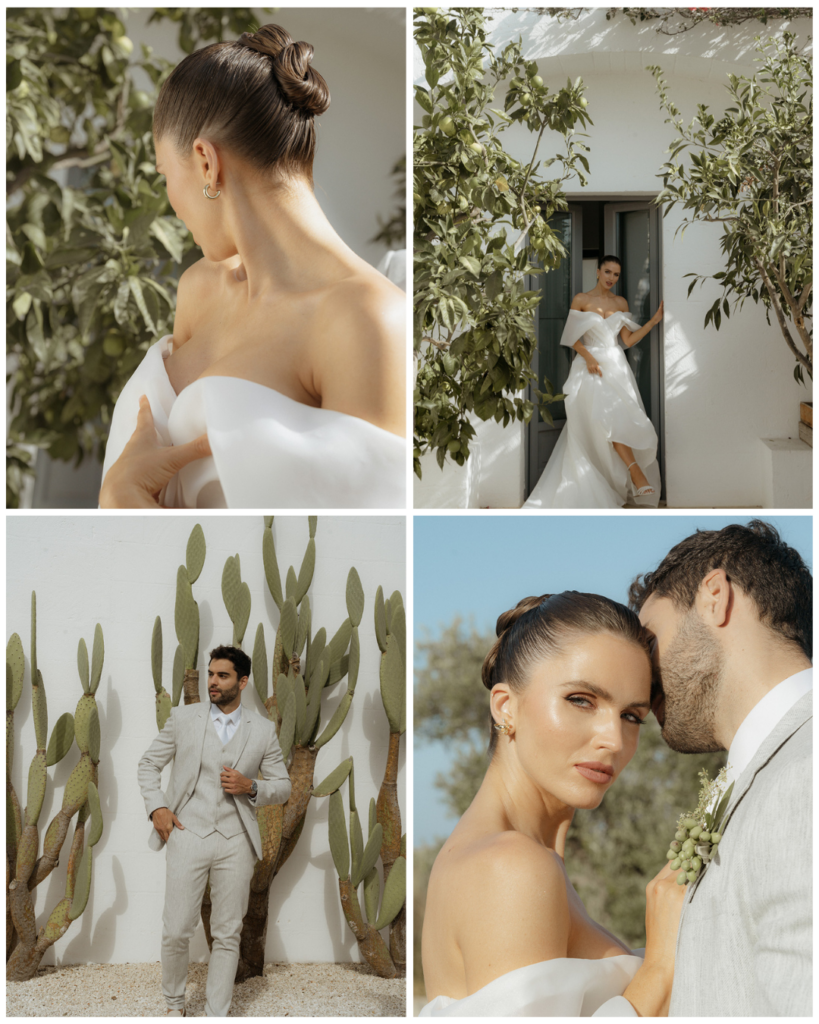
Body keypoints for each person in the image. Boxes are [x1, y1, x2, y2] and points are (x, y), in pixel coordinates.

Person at [100, 24, 405, 509]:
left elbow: (365, 543)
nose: (170, 202)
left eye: (164, 175)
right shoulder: (200, 290)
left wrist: (123, 504)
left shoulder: (367, 320)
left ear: (206, 162)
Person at [419, 592, 687, 1016]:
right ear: (505, 707)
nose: (614, 740)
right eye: (581, 700)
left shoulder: (518, 856)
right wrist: (661, 968)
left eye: (631, 716)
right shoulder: (512, 867)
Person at [631, 519, 812, 1016]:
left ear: (715, 596)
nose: (640, 680)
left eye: (649, 640)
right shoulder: (769, 772)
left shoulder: (805, 775)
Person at [137, 646, 291, 1017]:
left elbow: (284, 786)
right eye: (210, 674)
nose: (213, 682)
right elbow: (148, 764)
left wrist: (251, 786)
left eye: (222, 676)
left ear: (242, 681)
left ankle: (215, 1013)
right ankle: (174, 1005)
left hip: (237, 839)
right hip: (187, 832)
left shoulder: (262, 729)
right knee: (176, 929)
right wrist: (158, 808)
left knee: (227, 932)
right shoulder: (183, 718)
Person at [523, 256, 663, 510]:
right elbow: (571, 337)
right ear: (598, 272)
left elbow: (627, 341)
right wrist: (588, 357)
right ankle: (635, 473)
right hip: (590, 368)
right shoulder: (582, 299)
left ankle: (622, 477)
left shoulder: (620, 302)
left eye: (616, 274)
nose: (611, 278)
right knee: (606, 418)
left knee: (617, 418)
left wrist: (653, 322)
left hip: (616, 366)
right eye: (607, 272)